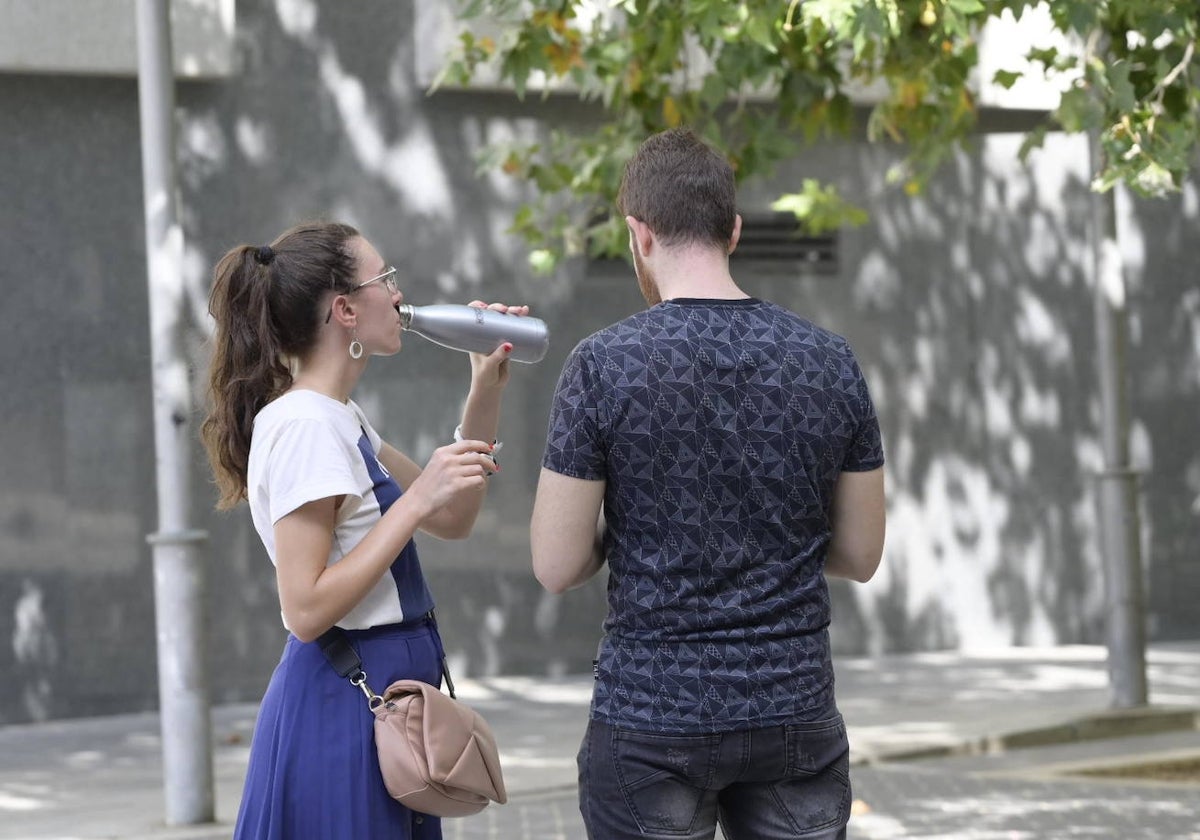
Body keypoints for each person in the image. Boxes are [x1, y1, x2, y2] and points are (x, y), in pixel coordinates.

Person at [530, 128, 886, 840]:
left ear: (639, 233)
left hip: (652, 716)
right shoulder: (830, 362)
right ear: (735, 230)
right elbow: (860, 554)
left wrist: (628, 534)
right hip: (793, 707)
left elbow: (557, 564)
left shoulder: (602, 366)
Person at [200, 220, 526, 840]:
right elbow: (304, 607)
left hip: (380, 700)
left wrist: (484, 388)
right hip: (342, 706)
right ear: (345, 309)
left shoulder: (337, 417)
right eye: (387, 279)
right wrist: (414, 501)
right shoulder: (304, 426)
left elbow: (452, 517)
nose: (399, 295)